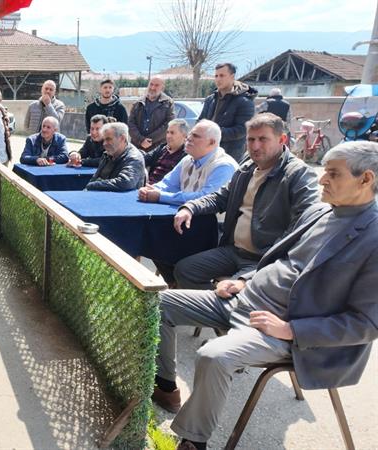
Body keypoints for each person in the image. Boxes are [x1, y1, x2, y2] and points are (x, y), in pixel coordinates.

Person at [153, 141, 378, 450]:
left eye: (333, 174)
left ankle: (194, 441)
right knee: (157, 304)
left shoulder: (373, 238)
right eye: (324, 171)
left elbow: (366, 324)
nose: (322, 179)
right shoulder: (319, 211)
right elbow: (280, 260)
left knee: (214, 356)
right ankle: (166, 387)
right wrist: (244, 280)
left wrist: (291, 330)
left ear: (366, 179)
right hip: (244, 300)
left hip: (286, 330)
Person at [172, 113, 319, 290]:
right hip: (233, 251)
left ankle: (224, 303)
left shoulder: (298, 173)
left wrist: (263, 264)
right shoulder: (247, 167)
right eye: (251, 140)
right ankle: (214, 304)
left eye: (263, 139)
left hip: (266, 259)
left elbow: (304, 223)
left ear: (282, 139)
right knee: (185, 270)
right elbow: (220, 197)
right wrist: (190, 207)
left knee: (232, 291)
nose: (255, 146)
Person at [138, 120, 238, 206]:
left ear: (211, 142)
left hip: (210, 221)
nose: (188, 138)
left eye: (195, 136)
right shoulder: (188, 160)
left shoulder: (223, 166)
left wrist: (161, 196)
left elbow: (205, 198)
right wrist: (150, 190)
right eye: (190, 134)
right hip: (183, 216)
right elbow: (168, 184)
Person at [198, 63, 257, 162]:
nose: (218, 79)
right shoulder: (210, 99)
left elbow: (242, 130)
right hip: (206, 150)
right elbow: (201, 120)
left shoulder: (245, 101)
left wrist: (214, 133)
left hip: (229, 154)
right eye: (216, 76)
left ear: (232, 76)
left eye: (222, 75)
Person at [85, 122, 146, 192]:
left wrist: (93, 185)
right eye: (104, 140)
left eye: (108, 139)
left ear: (122, 138)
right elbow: (95, 177)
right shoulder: (107, 155)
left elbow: (125, 182)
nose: (104, 144)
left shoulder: (134, 158)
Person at [128, 77, 175, 150]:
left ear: (162, 88)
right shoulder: (138, 103)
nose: (153, 88)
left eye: (156, 85)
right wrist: (141, 140)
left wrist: (150, 140)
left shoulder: (168, 103)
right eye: (151, 84)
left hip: (158, 148)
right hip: (137, 146)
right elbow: (131, 123)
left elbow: (169, 125)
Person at [143, 119, 189, 184]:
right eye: (167, 132)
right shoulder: (162, 148)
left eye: (172, 133)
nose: (168, 136)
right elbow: (144, 159)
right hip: (147, 185)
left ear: (184, 136)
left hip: (164, 188)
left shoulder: (187, 156)